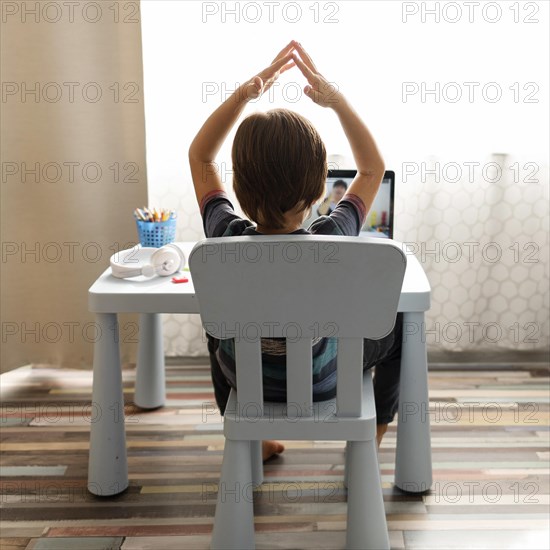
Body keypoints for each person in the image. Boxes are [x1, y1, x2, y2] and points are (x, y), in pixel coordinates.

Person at [189, 41, 403, 461]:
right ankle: (370, 441)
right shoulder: (335, 236)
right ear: (319, 186)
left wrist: (244, 94)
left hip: (246, 384)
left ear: (239, 187)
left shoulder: (223, 238)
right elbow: (372, 168)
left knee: (217, 330)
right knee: (400, 329)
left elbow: (199, 155)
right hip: (324, 382)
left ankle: (257, 439)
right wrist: (336, 102)